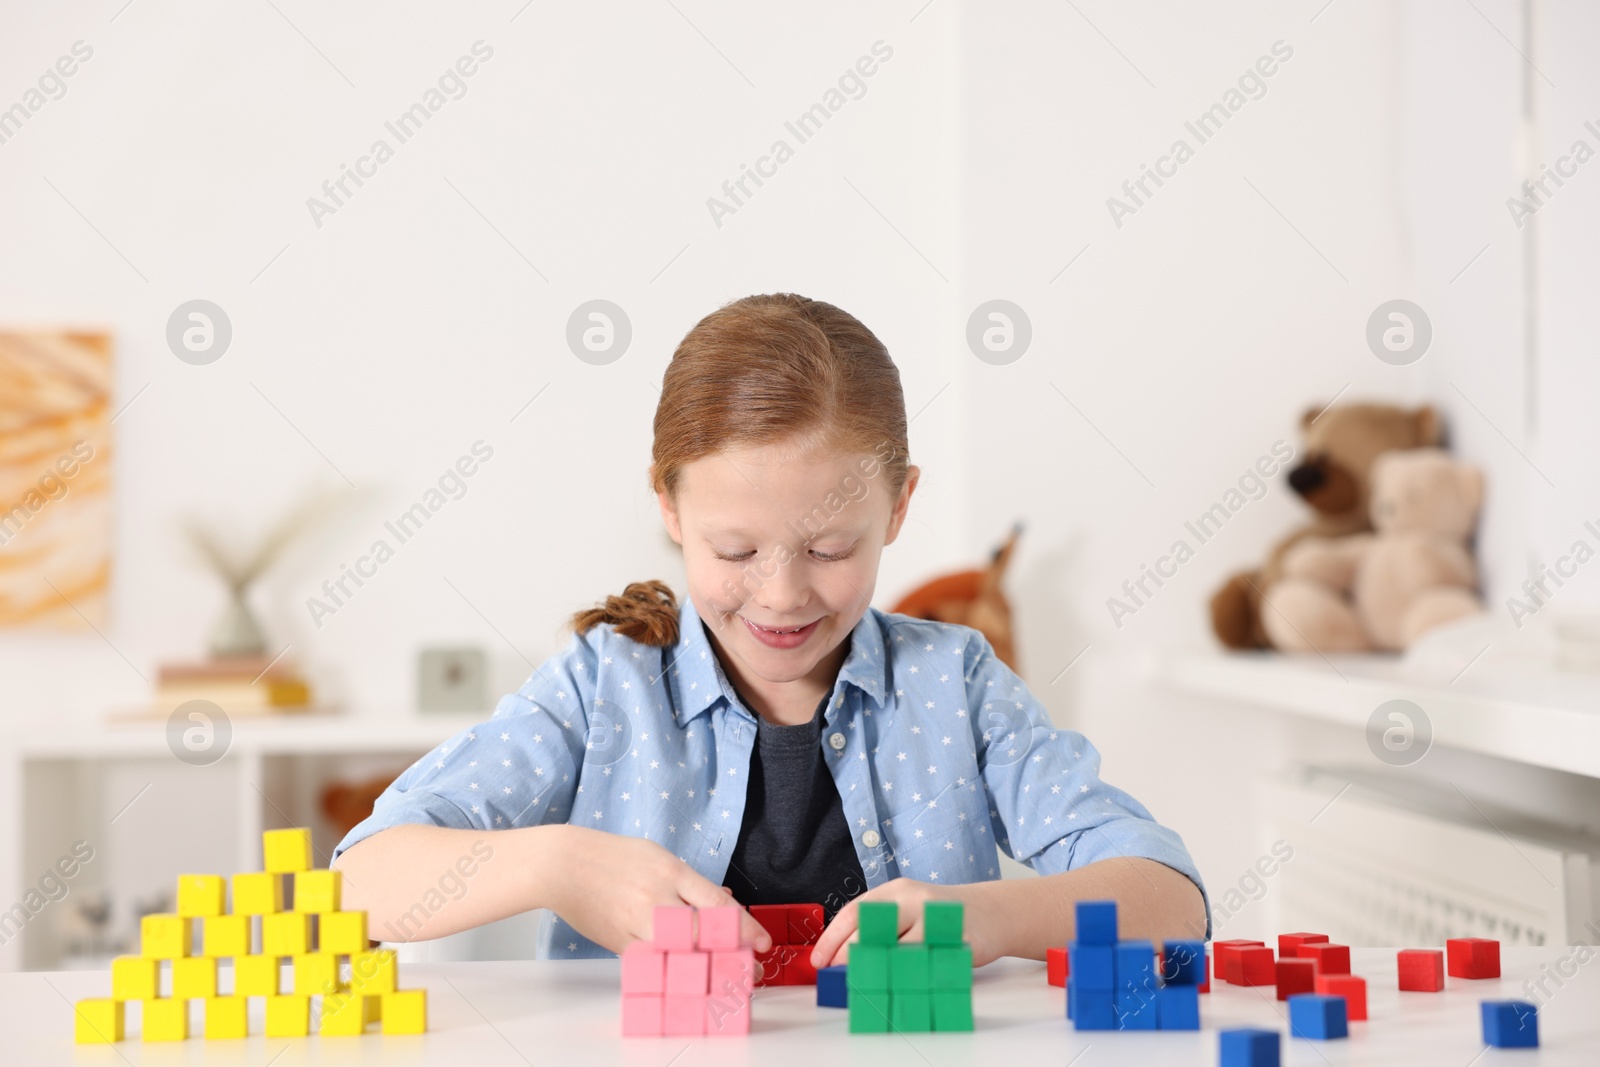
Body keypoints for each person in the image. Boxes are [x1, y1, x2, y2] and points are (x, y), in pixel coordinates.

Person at [332, 292, 1208, 968]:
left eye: (830, 547)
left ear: (899, 505)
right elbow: (358, 880)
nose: (782, 593)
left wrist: (990, 915)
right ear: (669, 507)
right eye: (736, 548)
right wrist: (556, 865)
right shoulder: (606, 687)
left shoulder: (955, 683)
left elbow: (1172, 899)